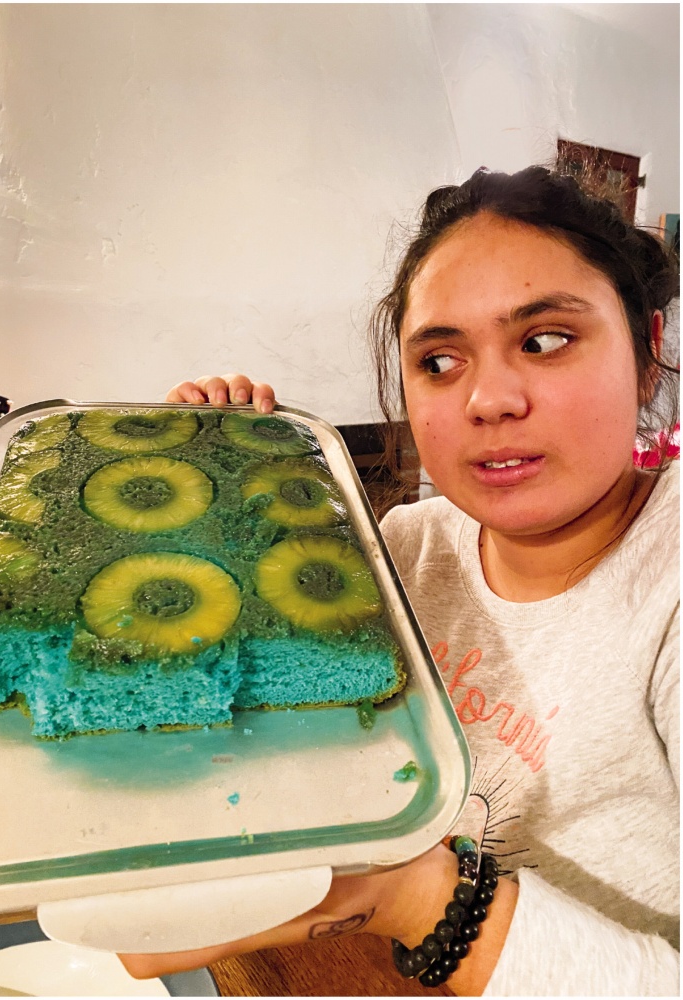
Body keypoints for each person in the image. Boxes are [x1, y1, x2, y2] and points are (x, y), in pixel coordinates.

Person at [120, 166, 679, 995]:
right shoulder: (409, 547)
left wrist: (418, 899)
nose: (488, 399)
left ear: (647, 350)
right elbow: (268, 731)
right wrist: (215, 513)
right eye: (440, 359)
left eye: (544, 339)